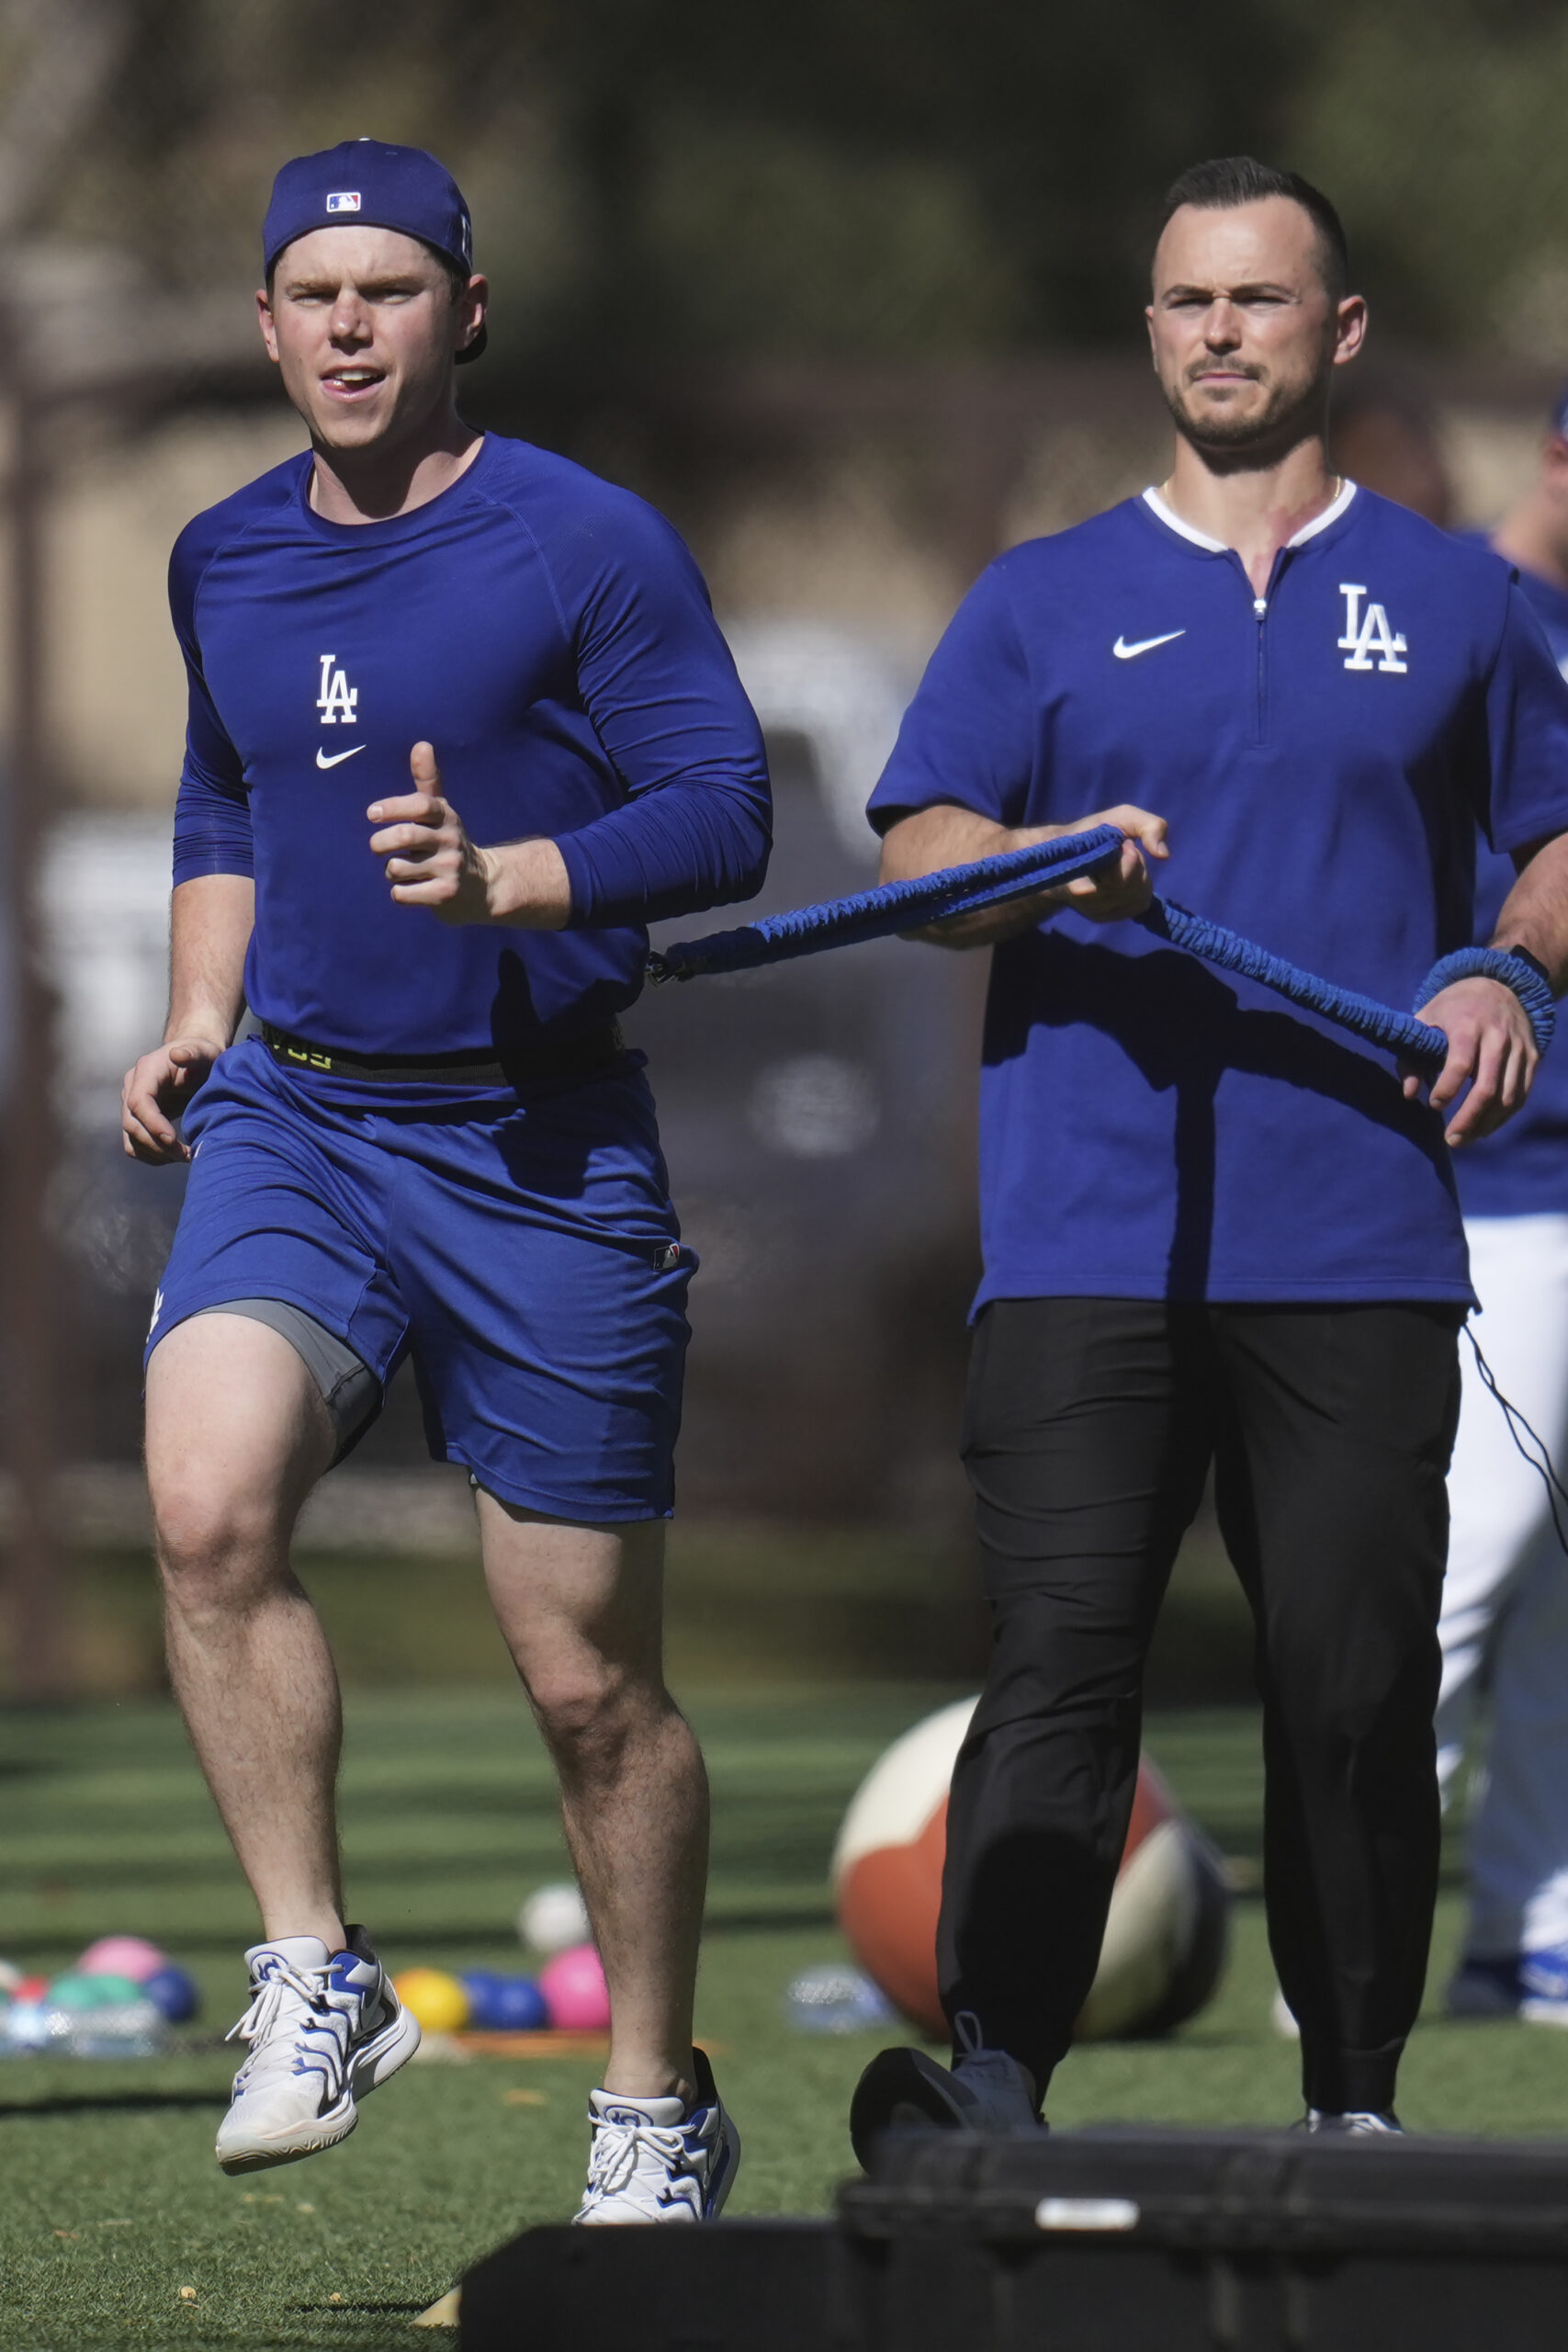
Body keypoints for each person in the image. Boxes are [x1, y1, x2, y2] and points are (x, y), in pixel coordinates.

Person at [848, 154, 1568, 2154]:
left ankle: (1353, 2106)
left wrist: (1495, 971)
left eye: (1255, 300)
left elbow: (1554, 844)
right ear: (1148, 328)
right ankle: (992, 2078)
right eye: (1182, 301)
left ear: (1336, 332)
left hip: (1355, 1240)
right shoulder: (1040, 598)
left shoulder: (1458, 601)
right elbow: (914, 858)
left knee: (1348, 1695)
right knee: (1059, 1663)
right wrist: (1031, 865)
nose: (1216, 332)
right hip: (1082, 1236)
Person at [120, 139, 770, 2222]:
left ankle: (653, 2095)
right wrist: (199, 1012)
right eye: (312, 296)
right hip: (298, 1114)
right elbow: (223, 795)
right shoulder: (220, 551)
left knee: (586, 1683)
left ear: (461, 310)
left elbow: (728, 804)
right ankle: (314, 1965)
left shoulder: (586, 541)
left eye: (387, 292)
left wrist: (516, 878)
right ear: (265, 325)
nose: (345, 327)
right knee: (207, 1500)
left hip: (537, 1141)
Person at [1437, 393, 1568, 2023]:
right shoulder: (1463, 620)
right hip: (1496, 1174)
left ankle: (1525, 1931)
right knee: (1469, 1557)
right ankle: (1356, 1919)